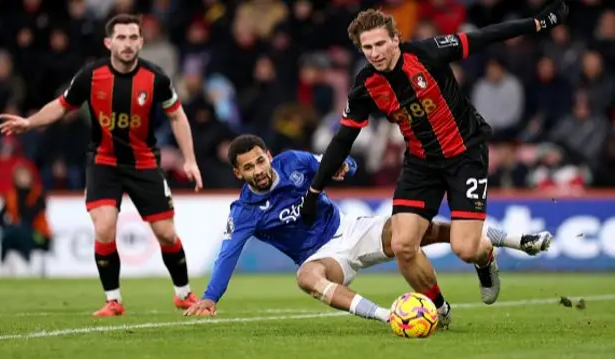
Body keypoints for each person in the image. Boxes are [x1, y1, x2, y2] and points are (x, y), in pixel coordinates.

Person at [300, 2, 568, 309]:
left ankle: (486, 257)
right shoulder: (366, 86)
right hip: (420, 163)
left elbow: (485, 37)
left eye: (380, 44)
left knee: (466, 248)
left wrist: (535, 23)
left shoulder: (427, 53)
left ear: (395, 39)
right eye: (367, 47)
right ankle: (438, 309)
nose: (374, 53)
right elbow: (342, 141)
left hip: (465, 153)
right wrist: (315, 190)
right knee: (402, 245)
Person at [184, 135, 552, 327]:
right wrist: (211, 297)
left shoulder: (293, 161)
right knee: (306, 276)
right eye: (249, 168)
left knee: (412, 232)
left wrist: (345, 164)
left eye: (260, 160)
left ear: (267, 154)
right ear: (239, 174)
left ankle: (505, 239)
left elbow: (342, 162)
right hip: (324, 257)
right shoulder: (245, 211)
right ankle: (389, 316)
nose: (259, 170)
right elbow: (227, 253)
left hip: (349, 228)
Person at [0, 14, 203, 317]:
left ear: (141, 42)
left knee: (167, 234)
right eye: (121, 38)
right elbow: (61, 105)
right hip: (103, 162)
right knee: (105, 228)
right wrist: (29, 122)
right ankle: (113, 300)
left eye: (134, 37)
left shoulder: (155, 78)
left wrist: (190, 160)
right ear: (109, 42)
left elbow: (176, 115)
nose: (128, 44)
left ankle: (183, 294)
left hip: (144, 162)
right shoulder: (91, 76)